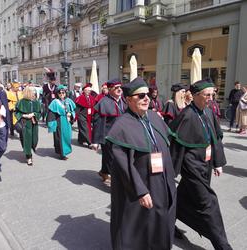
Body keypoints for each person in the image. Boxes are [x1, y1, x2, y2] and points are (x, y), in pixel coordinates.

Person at [106, 77, 176, 250]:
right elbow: (124, 166)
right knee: (137, 226)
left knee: (159, 220)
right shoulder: (122, 125)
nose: (147, 98)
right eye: (141, 96)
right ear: (128, 100)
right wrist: (140, 191)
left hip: (161, 180)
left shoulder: (153, 117)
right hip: (140, 185)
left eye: (147, 95)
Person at [169, 79, 232, 250]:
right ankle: (222, 245)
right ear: (195, 95)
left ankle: (168, 223)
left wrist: (218, 162)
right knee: (208, 202)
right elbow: (176, 143)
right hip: (191, 164)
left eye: (213, 94)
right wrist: (170, 172)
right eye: (207, 95)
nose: (211, 98)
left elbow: (216, 138)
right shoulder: (186, 115)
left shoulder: (209, 112)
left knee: (182, 196)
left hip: (207, 163)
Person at [91, 79, 127, 184]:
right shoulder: (103, 102)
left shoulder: (123, 100)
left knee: (108, 157)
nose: (119, 89)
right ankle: (117, 182)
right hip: (108, 136)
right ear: (110, 89)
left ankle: (104, 172)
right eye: (116, 88)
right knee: (113, 159)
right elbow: (98, 123)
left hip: (121, 136)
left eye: (120, 87)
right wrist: (96, 141)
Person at [47, 85, 76, 160]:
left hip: (67, 121)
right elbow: (51, 114)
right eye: (60, 93)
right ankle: (62, 153)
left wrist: (71, 114)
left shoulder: (69, 101)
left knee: (67, 136)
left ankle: (65, 151)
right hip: (59, 121)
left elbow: (73, 111)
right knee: (60, 137)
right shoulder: (55, 102)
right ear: (57, 94)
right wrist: (52, 124)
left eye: (63, 92)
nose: (61, 94)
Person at [15, 87, 41, 166]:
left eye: (34, 92)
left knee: (34, 139)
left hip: (34, 123)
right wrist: (25, 115)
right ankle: (28, 157)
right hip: (25, 123)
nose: (34, 93)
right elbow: (16, 113)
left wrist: (34, 114)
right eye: (32, 92)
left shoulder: (36, 102)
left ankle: (31, 149)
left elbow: (39, 112)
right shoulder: (21, 102)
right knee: (27, 140)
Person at [75, 83, 95, 147]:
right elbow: (77, 109)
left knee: (83, 128)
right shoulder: (80, 98)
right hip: (81, 115)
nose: (89, 92)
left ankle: (80, 140)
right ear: (84, 91)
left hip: (89, 116)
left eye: (90, 91)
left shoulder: (91, 97)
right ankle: (90, 143)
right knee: (85, 129)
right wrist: (75, 117)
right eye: (88, 90)